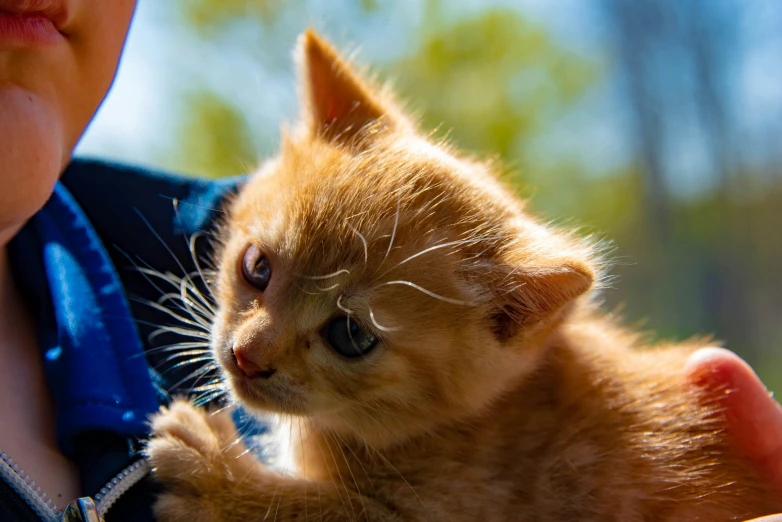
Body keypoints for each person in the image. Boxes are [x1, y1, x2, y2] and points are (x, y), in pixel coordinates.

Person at [0, 1, 779, 521]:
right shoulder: (142, 246)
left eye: (348, 336)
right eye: (259, 272)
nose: (248, 347)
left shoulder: (502, 424)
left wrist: (246, 499)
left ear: (512, 322)